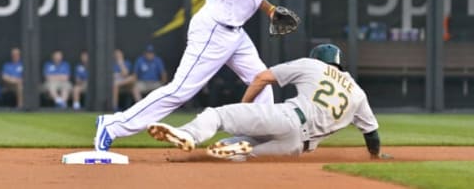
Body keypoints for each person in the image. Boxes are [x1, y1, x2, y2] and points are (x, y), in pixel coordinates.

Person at [94, 0, 283, 151]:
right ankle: (112, 125)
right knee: (180, 91)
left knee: (262, 80)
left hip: (236, 33)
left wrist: (270, 10)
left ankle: (258, 137)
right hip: (214, 30)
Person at [148, 44, 391, 161]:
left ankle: (189, 135)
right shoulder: (358, 93)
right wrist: (376, 156)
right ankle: (225, 150)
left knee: (217, 116)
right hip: (297, 147)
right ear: (340, 64)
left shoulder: (312, 65)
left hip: (288, 117)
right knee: (234, 153)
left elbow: (262, 78)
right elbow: (372, 134)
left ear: (319, 58)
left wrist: (246, 107)